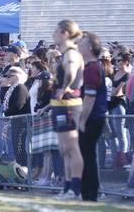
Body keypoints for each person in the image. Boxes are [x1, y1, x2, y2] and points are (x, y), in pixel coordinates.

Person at [51, 19, 85, 200]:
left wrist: (64, 87)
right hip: (60, 106)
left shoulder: (71, 53)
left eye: (56, 31)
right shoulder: (65, 53)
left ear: (64, 32)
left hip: (69, 106)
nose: (53, 33)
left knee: (71, 147)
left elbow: (71, 71)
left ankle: (76, 188)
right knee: (64, 149)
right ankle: (68, 186)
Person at [77, 31, 108, 202]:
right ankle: (87, 192)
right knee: (87, 155)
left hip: (92, 118)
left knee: (87, 155)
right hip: (94, 117)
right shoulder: (91, 67)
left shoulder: (92, 68)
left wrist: (82, 120)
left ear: (89, 47)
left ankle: (90, 194)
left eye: (81, 43)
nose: (78, 45)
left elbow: (90, 97)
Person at [30, 61, 59, 186]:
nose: (39, 82)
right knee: (45, 152)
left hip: (50, 121)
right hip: (41, 121)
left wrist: (44, 109)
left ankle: (47, 177)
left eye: (41, 80)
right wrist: (38, 109)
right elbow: (38, 105)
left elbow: (54, 102)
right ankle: (44, 177)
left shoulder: (50, 90)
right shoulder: (42, 91)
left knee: (50, 151)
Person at [2, 66, 30, 167]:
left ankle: (23, 167)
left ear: (16, 76)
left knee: (19, 146)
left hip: (21, 123)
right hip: (15, 122)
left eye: (10, 76)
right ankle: (19, 165)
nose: (8, 78)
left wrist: (7, 112)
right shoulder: (13, 88)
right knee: (15, 145)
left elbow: (18, 105)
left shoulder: (20, 87)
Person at [109, 52, 131, 171]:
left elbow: (118, 92)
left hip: (119, 106)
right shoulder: (116, 73)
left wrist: (111, 91)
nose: (117, 63)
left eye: (119, 60)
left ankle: (122, 160)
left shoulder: (127, 75)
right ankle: (115, 160)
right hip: (111, 105)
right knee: (112, 135)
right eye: (116, 60)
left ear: (126, 61)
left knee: (121, 134)